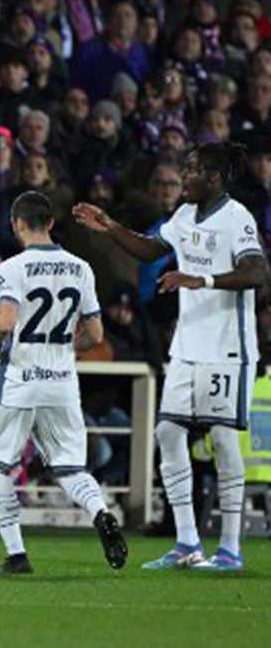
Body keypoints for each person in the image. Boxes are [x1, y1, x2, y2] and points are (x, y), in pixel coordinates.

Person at [73, 142, 268, 571]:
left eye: (193, 170)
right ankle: (186, 542)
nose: (185, 177)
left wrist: (201, 279)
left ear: (215, 178)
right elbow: (150, 248)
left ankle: (230, 549)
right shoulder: (183, 216)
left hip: (227, 350)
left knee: (219, 438)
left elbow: (258, 272)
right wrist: (110, 227)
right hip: (187, 348)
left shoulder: (237, 219)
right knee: (166, 432)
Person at [0, 190, 127, 575]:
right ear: (51, 224)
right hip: (61, 382)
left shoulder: (13, 267)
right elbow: (95, 333)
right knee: (71, 468)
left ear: (17, 224)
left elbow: (5, 322)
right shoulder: (81, 268)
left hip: (20, 380)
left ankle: (16, 555)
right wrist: (61, 347)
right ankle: (101, 512)